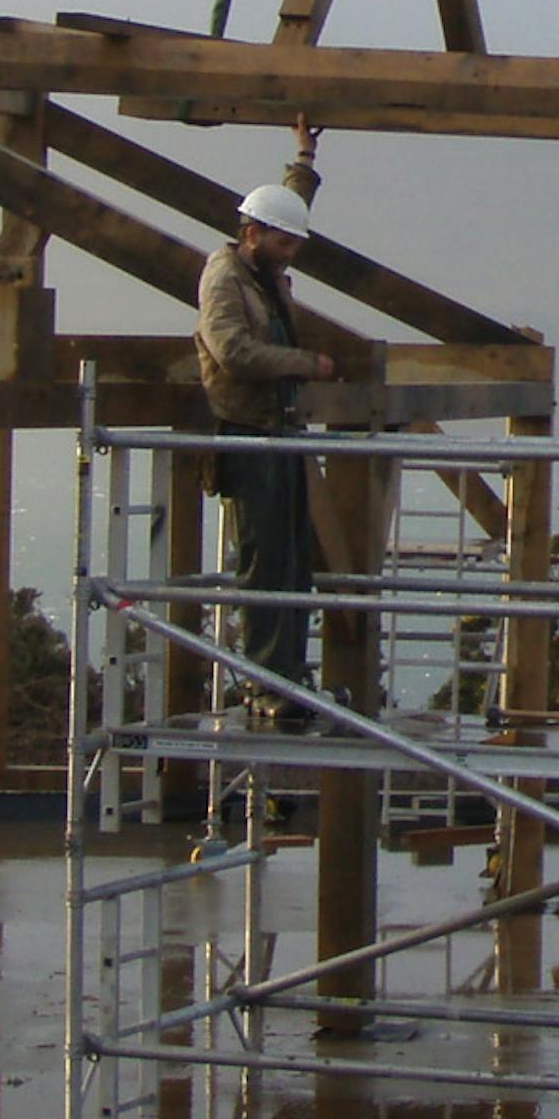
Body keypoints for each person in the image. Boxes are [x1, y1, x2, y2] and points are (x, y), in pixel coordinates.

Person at [196, 119, 342, 702]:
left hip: (279, 431)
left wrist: (303, 157)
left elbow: (289, 208)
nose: (291, 256)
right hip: (247, 432)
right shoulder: (224, 277)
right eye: (284, 245)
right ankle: (266, 682)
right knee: (263, 560)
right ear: (252, 234)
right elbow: (231, 351)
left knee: (292, 560)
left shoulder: (262, 262)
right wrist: (304, 363)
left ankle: (286, 676)